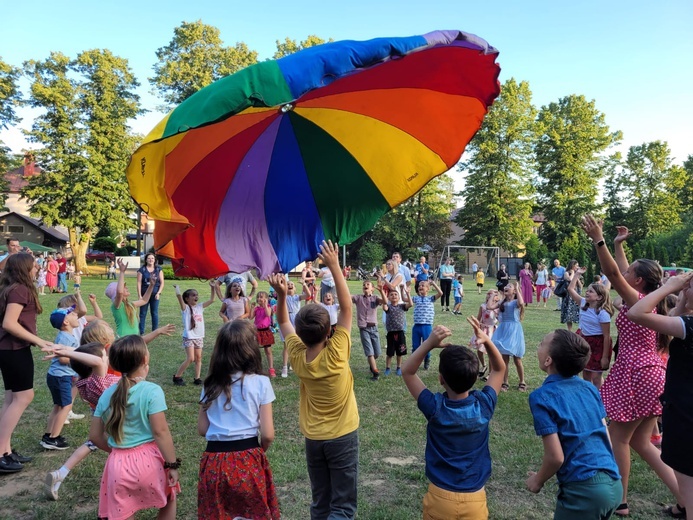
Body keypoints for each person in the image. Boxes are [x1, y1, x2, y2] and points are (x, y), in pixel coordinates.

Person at [581, 216, 683, 516]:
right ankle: (685, 498)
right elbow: (624, 272)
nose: (625, 274)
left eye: (631, 273)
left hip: (638, 374)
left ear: (638, 281)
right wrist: (616, 245)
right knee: (643, 442)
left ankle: (621, 501)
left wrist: (599, 240)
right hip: (651, 373)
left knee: (618, 438)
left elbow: (614, 273)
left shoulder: (639, 299)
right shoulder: (648, 298)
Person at [270, 240, 358, 520]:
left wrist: (281, 296)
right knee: (342, 506)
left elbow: (283, 323)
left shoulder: (296, 355)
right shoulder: (337, 353)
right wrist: (333, 265)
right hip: (342, 437)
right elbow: (347, 308)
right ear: (328, 331)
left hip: (314, 440)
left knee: (321, 502)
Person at [401, 320, 504, 520]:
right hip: (475, 498)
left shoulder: (434, 406)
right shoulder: (484, 405)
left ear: (441, 379)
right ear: (475, 378)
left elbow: (408, 371)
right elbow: (499, 370)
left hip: (439, 497)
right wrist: (486, 341)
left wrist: (429, 343)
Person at [526, 329, 622, 518]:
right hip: (613, 482)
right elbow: (605, 435)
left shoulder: (541, 397)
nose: (539, 346)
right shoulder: (589, 388)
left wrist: (537, 481)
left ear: (548, 361)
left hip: (584, 493)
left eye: (541, 343)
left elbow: (555, 457)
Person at [89, 335, 180, 520]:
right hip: (151, 463)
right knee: (169, 499)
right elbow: (160, 432)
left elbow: (95, 436)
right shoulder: (152, 391)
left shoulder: (106, 395)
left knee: (123, 512)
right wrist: (172, 465)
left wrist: (117, 452)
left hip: (118, 466)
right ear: (145, 359)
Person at [198, 320, 279, 519]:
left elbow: (202, 428)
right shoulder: (261, 382)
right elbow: (268, 434)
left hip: (214, 460)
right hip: (248, 459)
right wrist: (257, 452)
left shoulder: (210, 384)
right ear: (251, 349)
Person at [628, 271, 693, 518]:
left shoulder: (689, 326)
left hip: (686, 414)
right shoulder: (685, 324)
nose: (684, 290)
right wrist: (680, 301)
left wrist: (668, 287)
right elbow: (668, 334)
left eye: (689, 287)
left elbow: (637, 313)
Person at [42, 339, 119, 500]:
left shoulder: (84, 382)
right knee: (124, 454)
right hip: (117, 424)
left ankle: (61, 473)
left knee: (92, 444)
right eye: (105, 357)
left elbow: (92, 359)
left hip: (105, 423)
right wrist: (66, 352)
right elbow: (97, 361)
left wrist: (65, 349)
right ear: (92, 365)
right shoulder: (99, 381)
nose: (106, 359)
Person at [0, 253, 53, 473]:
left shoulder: (10, 288)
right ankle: (0, 453)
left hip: (9, 349)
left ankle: (6, 450)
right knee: (24, 396)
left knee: (12, 397)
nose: (38, 268)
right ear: (24, 268)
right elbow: (10, 323)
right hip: (13, 349)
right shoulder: (20, 289)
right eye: (34, 266)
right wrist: (39, 341)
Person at [566, 267, 613, 389]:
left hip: (599, 343)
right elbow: (570, 289)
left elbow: (606, 336)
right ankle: (588, 396)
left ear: (599, 297)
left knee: (597, 377)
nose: (587, 292)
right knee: (586, 373)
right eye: (587, 290)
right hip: (585, 341)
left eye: (591, 291)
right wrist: (576, 274)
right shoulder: (583, 303)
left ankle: (598, 398)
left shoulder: (602, 313)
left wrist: (604, 357)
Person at [41, 307, 81, 451]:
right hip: (61, 377)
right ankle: (53, 439)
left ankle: (48, 435)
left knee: (58, 406)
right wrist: (80, 360)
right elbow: (64, 359)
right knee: (66, 406)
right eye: (72, 314)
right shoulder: (65, 337)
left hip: (57, 376)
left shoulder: (66, 335)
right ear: (66, 321)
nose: (76, 315)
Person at [172, 282, 216, 386]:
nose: (196, 297)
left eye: (196, 295)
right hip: (189, 337)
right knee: (190, 358)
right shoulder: (185, 308)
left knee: (198, 358)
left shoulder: (200, 307)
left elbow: (212, 300)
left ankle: (197, 378)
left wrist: (213, 289)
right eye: (193, 295)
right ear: (187, 299)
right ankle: (177, 376)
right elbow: (179, 297)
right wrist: (177, 288)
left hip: (199, 336)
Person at [487, 282, 526, 392]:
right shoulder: (501, 302)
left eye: (509, 286)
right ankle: (505, 382)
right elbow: (489, 307)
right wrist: (492, 296)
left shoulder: (515, 302)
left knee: (517, 359)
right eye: (506, 286)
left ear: (513, 291)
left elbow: (521, 302)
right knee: (505, 359)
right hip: (504, 329)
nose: (506, 287)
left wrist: (518, 288)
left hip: (514, 330)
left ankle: (522, 381)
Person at [106, 259, 154, 337]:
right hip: (123, 339)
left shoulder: (130, 304)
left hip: (132, 339)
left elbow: (144, 300)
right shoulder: (116, 306)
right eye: (124, 287)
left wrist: (151, 285)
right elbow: (120, 292)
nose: (127, 288)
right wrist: (122, 272)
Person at [351, 280, 384, 381]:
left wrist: (382, 291)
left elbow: (385, 302)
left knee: (377, 353)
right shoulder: (358, 298)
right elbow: (347, 296)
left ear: (372, 289)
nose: (365, 286)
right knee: (370, 352)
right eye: (364, 285)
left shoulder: (375, 298)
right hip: (363, 328)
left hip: (374, 328)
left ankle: (372, 363)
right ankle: (375, 372)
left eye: (368, 285)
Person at [411, 280, 443, 370]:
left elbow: (440, 293)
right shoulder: (415, 298)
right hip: (416, 326)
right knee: (415, 346)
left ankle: (427, 359)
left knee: (427, 345)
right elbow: (406, 299)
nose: (420, 286)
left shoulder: (430, 298)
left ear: (428, 289)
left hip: (427, 326)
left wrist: (434, 284)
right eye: (419, 286)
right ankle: (414, 361)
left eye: (423, 285)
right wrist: (404, 291)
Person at [280, 280, 309, 378]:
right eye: (288, 284)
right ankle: (284, 367)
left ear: (295, 289)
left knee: (297, 342)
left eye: (292, 284)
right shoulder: (283, 297)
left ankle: (294, 363)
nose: (290, 285)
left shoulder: (297, 297)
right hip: (286, 319)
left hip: (296, 320)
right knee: (286, 345)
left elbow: (308, 295)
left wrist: (304, 284)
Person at [382, 284, 412, 376]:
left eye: (396, 294)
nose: (394, 296)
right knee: (390, 353)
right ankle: (388, 368)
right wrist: (382, 293)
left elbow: (410, 304)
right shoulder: (388, 307)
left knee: (400, 352)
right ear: (389, 298)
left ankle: (399, 367)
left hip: (400, 333)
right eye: (391, 295)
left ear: (399, 298)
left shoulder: (402, 306)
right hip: (391, 333)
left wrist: (408, 293)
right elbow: (384, 307)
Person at [470, 290, 499, 378]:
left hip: (491, 330)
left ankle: (490, 373)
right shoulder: (482, 306)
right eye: (488, 294)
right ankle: (484, 366)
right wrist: (477, 326)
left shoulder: (497, 308)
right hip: (483, 329)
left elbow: (499, 318)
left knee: (490, 352)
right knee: (479, 350)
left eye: (491, 294)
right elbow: (478, 318)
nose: (489, 296)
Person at [137, 253, 164, 334]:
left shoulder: (158, 269)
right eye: (149, 258)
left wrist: (159, 293)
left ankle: (155, 331)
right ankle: (141, 331)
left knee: (154, 313)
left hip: (155, 295)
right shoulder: (142, 270)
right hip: (144, 295)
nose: (151, 260)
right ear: (146, 260)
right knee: (142, 313)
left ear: (155, 260)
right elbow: (138, 283)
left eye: (152, 258)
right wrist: (140, 296)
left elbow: (162, 283)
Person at [251, 291, 275, 377]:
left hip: (266, 331)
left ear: (266, 299)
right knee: (255, 350)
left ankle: (271, 368)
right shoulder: (257, 309)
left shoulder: (268, 307)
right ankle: (256, 367)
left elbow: (268, 314)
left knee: (268, 350)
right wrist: (252, 308)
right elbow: (250, 317)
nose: (259, 298)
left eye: (262, 297)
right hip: (257, 331)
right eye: (258, 297)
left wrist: (265, 304)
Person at [560, 260, 582, 331]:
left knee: (577, 313)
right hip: (568, 297)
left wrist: (577, 276)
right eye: (576, 265)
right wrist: (573, 273)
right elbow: (569, 279)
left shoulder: (578, 274)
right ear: (572, 266)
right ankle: (569, 330)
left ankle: (580, 329)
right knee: (568, 313)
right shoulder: (566, 273)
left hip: (575, 296)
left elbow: (581, 286)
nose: (577, 267)